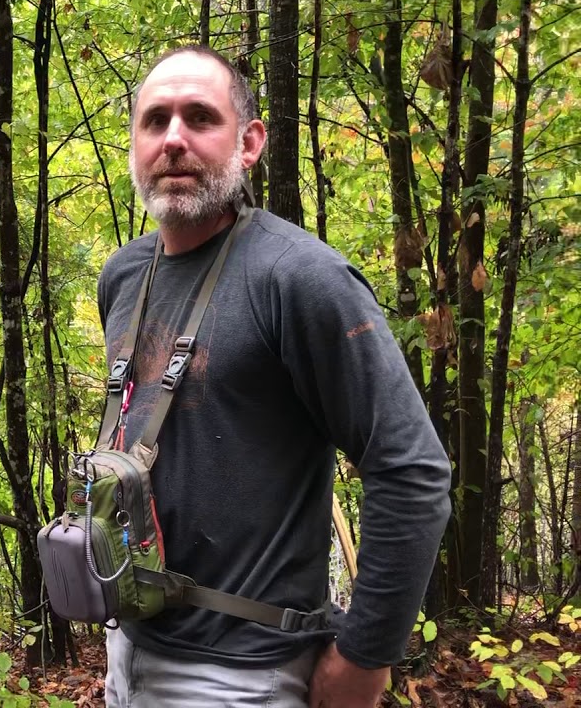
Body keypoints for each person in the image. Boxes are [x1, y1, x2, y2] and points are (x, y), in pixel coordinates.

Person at [98, 46, 451, 707]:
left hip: (242, 677)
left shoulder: (299, 279)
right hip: (130, 651)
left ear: (250, 141)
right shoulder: (124, 276)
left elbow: (413, 470)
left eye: (200, 117)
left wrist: (364, 658)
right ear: (134, 145)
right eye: (155, 121)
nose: (173, 138)